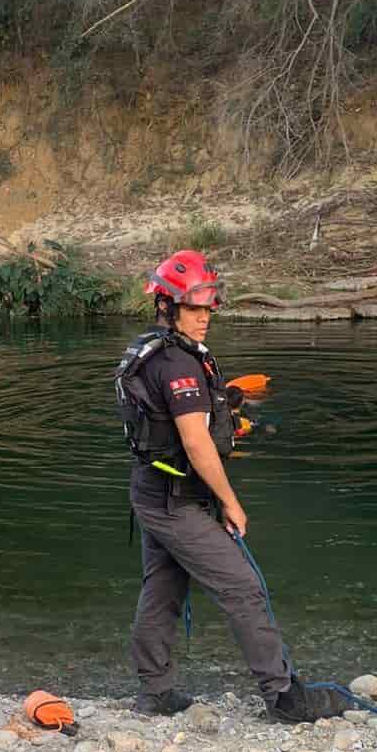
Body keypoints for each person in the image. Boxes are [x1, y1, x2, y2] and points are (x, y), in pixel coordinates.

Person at [117, 250, 349, 722]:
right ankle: (284, 696)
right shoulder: (178, 366)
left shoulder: (152, 352)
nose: (204, 319)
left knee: (162, 588)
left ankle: (155, 692)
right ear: (168, 307)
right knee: (243, 588)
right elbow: (197, 442)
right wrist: (230, 502)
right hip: (176, 501)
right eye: (193, 309)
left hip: (154, 491)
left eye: (208, 309)